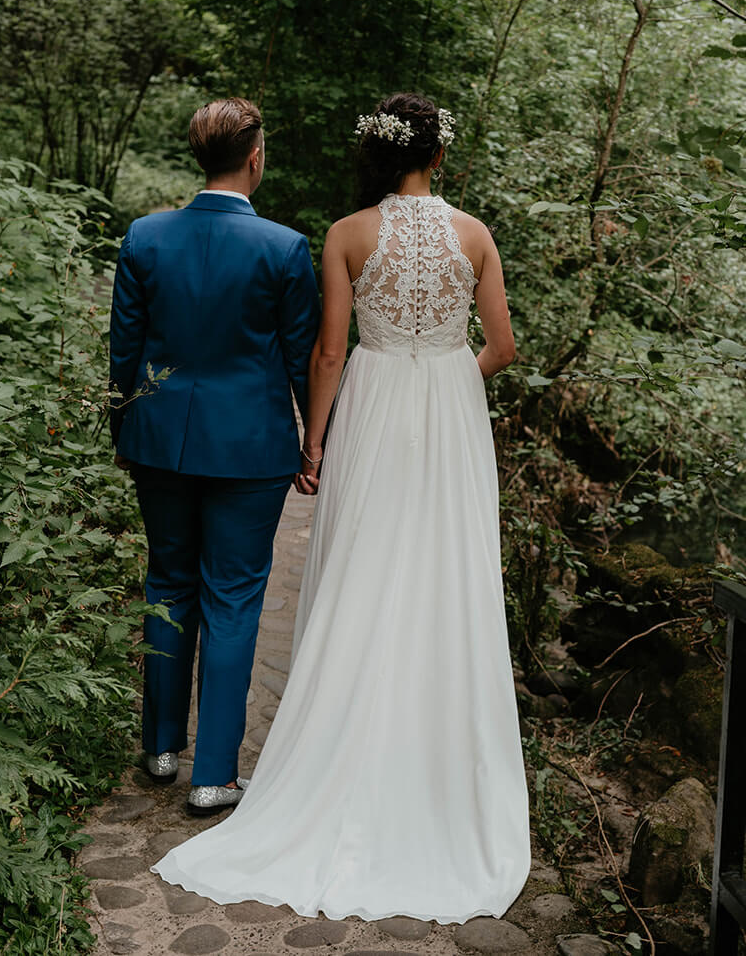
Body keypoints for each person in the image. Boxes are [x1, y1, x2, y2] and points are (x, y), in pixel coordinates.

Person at [152, 92, 530, 923]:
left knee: (364, 564)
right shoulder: (477, 235)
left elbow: (328, 350)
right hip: (449, 416)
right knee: (444, 574)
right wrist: (446, 385)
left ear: (375, 153)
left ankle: (332, 747)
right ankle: (437, 756)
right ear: (439, 154)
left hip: (372, 402)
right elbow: (500, 347)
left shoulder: (347, 234)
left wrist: (313, 445)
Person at [108, 97, 321, 815]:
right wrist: (314, 443)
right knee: (232, 597)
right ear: (255, 156)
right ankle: (214, 773)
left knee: (167, 583)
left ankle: (160, 747)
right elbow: (302, 358)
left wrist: (124, 434)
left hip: (159, 440)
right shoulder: (286, 248)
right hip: (252, 449)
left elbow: (124, 354)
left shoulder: (145, 236)